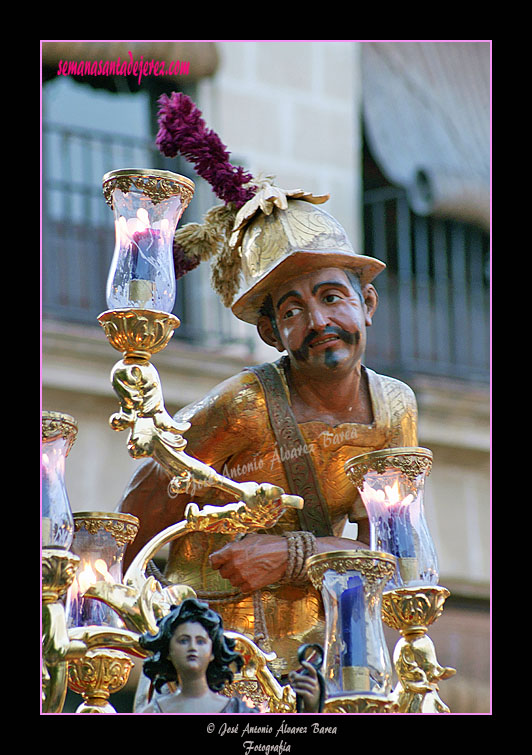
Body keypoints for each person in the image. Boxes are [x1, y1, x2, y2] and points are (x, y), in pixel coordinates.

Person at [117, 195, 418, 674]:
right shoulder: (242, 405)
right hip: (216, 649)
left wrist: (291, 555)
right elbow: (136, 519)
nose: (319, 321)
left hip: (318, 652)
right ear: (271, 332)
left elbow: (397, 560)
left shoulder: (393, 406)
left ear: (368, 304)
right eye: (294, 310)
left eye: (332, 296)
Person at [137, 598, 321, 713]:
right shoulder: (153, 712)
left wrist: (311, 711)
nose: (192, 647)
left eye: (201, 641)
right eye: (184, 641)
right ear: (169, 651)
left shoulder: (239, 712)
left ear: (212, 652)